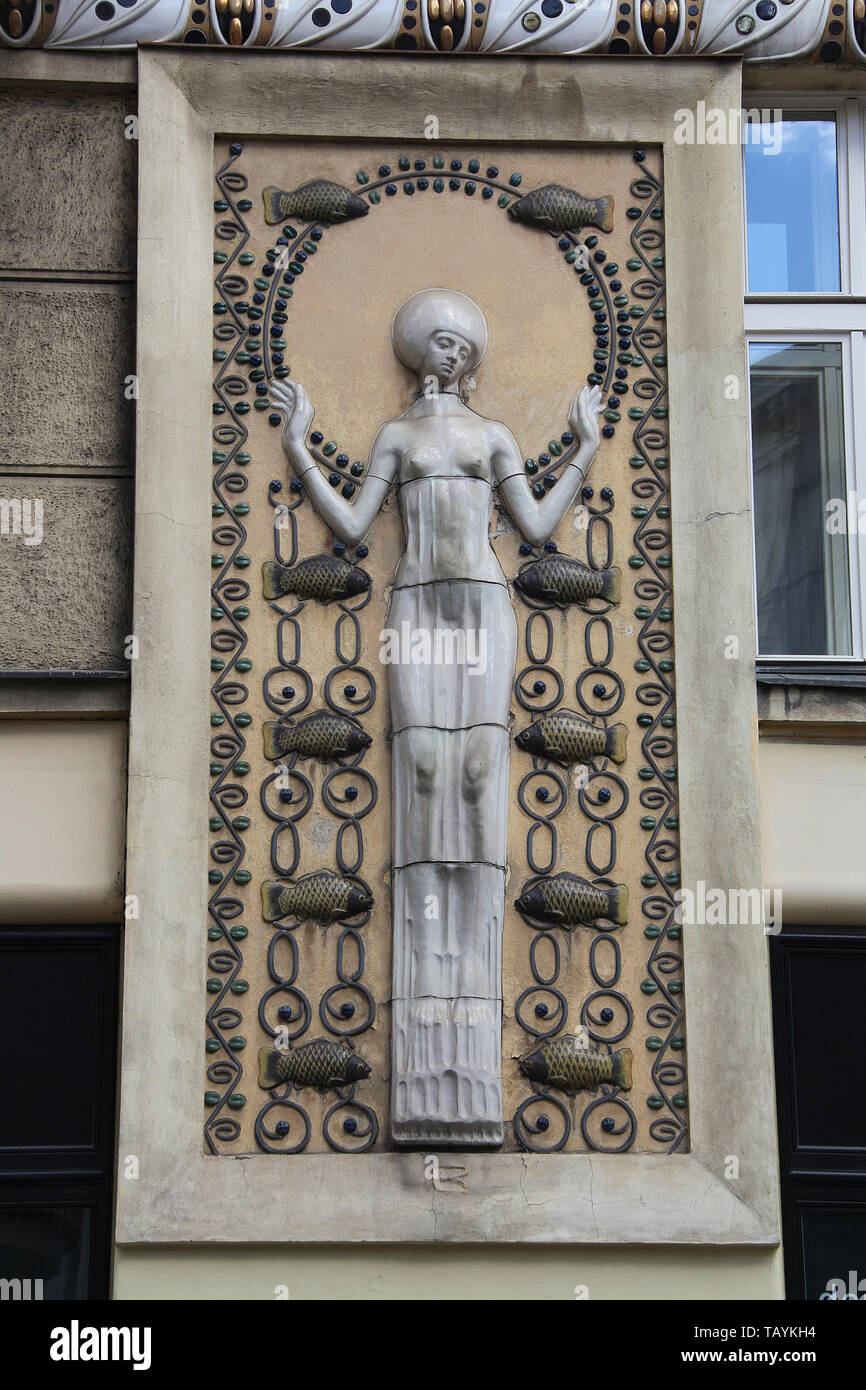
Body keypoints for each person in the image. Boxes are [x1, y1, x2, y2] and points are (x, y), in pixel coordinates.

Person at [271, 287, 604, 1145]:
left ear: (472, 358)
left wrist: (585, 449)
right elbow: (350, 526)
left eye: (462, 344)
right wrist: (300, 444)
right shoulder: (399, 437)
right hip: (417, 604)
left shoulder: (494, 438)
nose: (450, 353)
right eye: (439, 341)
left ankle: (467, 970)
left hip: (483, 604)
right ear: (421, 352)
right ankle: (427, 969)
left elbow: (532, 526)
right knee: (420, 768)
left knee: (479, 768)